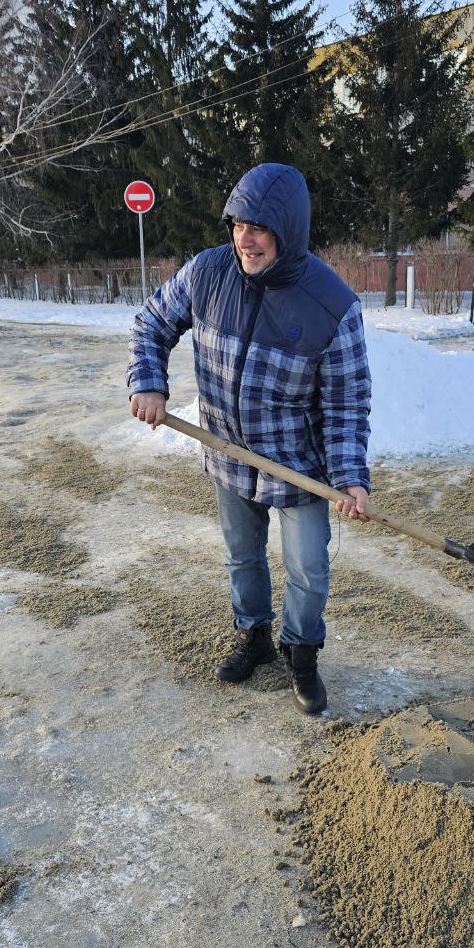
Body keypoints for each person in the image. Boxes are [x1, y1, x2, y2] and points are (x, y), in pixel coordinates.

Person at [127, 163, 372, 714]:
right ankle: (253, 636)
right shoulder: (207, 273)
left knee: (308, 569)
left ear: (288, 231)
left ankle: (301, 654)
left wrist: (350, 477)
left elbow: (346, 403)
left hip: (299, 466)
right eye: (238, 224)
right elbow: (152, 323)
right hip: (227, 454)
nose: (245, 238)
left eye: (259, 228)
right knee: (242, 557)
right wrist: (148, 383)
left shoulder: (332, 306)